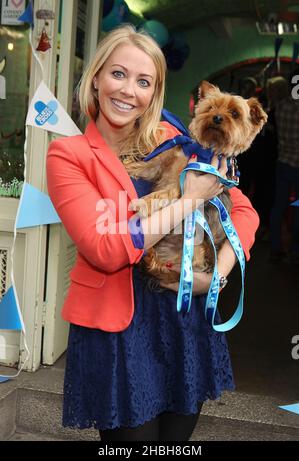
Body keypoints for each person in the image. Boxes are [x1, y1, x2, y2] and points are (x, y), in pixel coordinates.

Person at [46, 25, 260, 442]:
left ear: (154, 92)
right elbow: (106, 249)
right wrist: (186, 200)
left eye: (143, 81)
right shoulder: (68, 157)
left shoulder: (174, 138)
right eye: (118, 74)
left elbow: (245, 212)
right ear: (95, 78)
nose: (128, 91)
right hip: (117, 329)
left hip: (182, 320)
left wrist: (218, 274)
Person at [269, 68, 299, 264]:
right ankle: (296, 251)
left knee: (278, 206)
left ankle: (275, 249)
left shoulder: (280, 106)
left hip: (282, 162)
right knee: (298, 208)